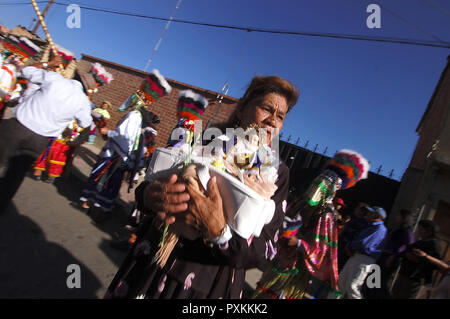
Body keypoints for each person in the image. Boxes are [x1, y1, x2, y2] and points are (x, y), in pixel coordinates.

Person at [103, 75, 299, 299]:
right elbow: (152, 181)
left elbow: (265, 249)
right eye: (266, 109)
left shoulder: (275, 173)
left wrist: (220, 233)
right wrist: (149, 195)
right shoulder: (206, 139)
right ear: (243, 108)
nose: (272, 120)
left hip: (200, 286)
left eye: (280, 116)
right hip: (150, 259)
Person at [253, 150, 370, 299]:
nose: (317, 186)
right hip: (281, 256)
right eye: (317, 181)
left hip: (297, 264)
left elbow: (321, 249)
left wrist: (299, 243)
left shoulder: (326, 214)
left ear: (331, 189)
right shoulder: (302, 203)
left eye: (323, 184)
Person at [0, 55, 93, 212]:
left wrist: (48, 63)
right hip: (38, 140)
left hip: (18, 127)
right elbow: (85, 123)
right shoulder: (83, 102)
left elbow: (27, 70)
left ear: (75, 76)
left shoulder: (55, 79)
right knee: (15, 175)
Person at [79, 70, 170, 222]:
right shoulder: (138, 116)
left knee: (104, 182)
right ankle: (99, 208)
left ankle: (97, 210)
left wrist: (109, 132)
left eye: (138, 94)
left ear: (142, 99)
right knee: (110, 184)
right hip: (120, 156)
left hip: (115, 156)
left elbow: (124, 138)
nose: (134, 96)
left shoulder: (134, 116)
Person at [336, 206, 387, 299]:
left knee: (353, 286)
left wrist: (350, 246)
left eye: (370, 212)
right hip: (357, 255)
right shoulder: (371, 226)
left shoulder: (379, 229)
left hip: (364, 259)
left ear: (376, 215)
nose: (367, 214)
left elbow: (364, 244)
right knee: (341, 282)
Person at [391, 219, 441, 299]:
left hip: (415, 279)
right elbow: (407, 249)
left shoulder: (433, 245)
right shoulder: (420, 242)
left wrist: (418, 260)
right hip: (405, 274)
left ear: (429, 231)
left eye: (421, 229)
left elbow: (435, 264)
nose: (419, 231)